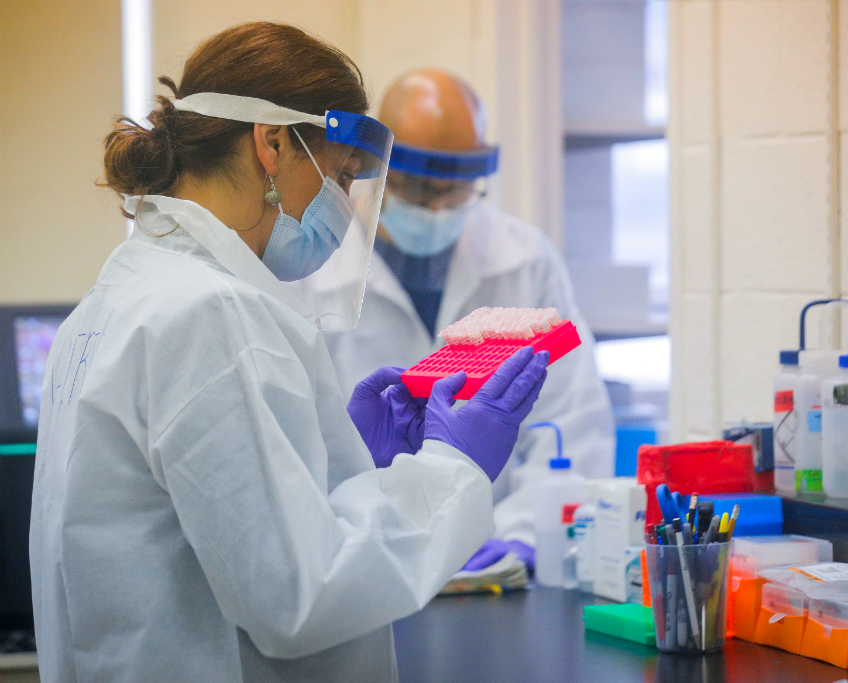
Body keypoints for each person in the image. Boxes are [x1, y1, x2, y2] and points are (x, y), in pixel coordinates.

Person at [29, 23, 548, 683]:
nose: (345, 205)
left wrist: (336, 464)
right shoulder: (208, 313)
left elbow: (216, 531)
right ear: (272, 143)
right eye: (342, 174)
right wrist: (453, 468)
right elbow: (301, 596)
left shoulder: (116, 300)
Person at [310, 70, 615, 571]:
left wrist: (524, 536)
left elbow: (571, 422)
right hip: (358, 555)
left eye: (454, 192)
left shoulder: (524, 260)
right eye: (417, 188)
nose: (436, 207)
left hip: (497, 556)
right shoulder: (314, 269)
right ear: (375, 169)